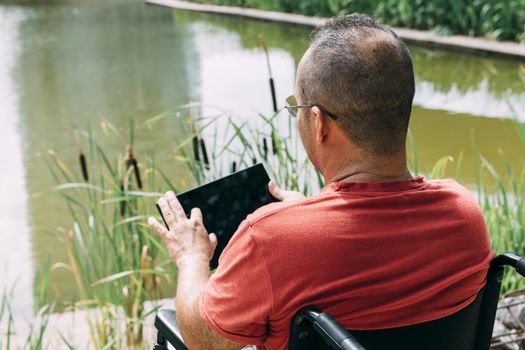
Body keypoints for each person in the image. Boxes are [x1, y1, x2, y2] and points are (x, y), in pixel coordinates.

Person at [148, 14, 493, 350]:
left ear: (318, 123)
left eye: (296, 106)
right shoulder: (464, 216)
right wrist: (307, 214)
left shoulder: (270, 240)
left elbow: (202, 340)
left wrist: (191, 257)